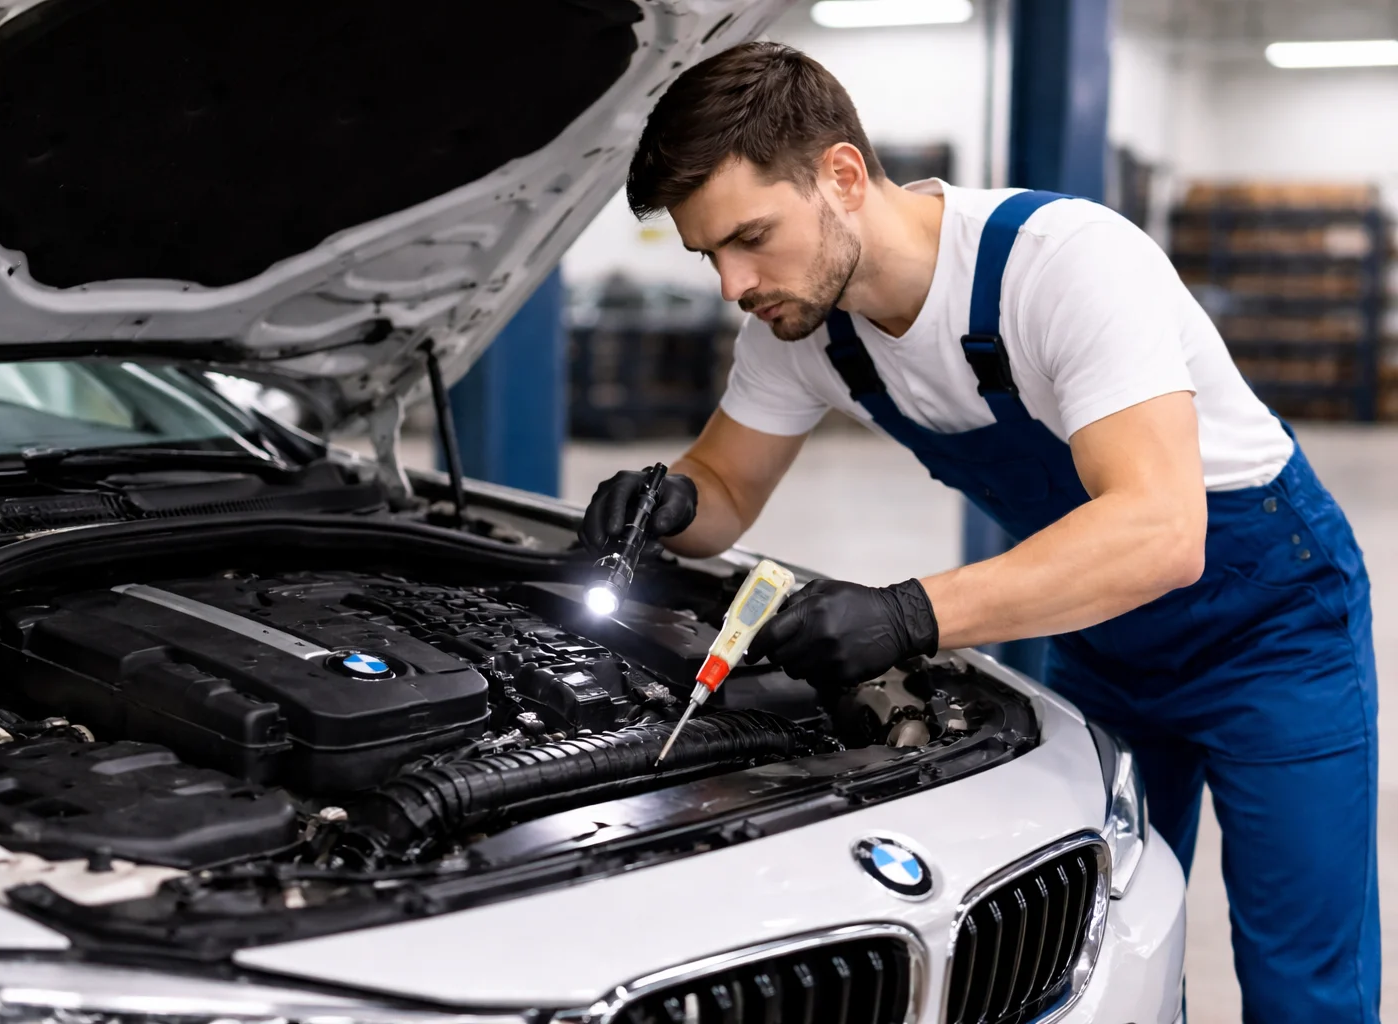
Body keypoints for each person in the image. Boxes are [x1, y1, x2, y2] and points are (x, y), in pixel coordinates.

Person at [578, 41, 1378, 1023]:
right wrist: (667, 499)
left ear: (840, 175)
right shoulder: (801, 328)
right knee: (1110, 940)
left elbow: (1164, 529)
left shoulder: (1061, 264)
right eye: (710, 255)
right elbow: (724, 489)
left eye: (751, 236)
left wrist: (908, 613)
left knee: (1303, 984)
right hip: (1104, 636)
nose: (733, 284)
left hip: (1271, 627)